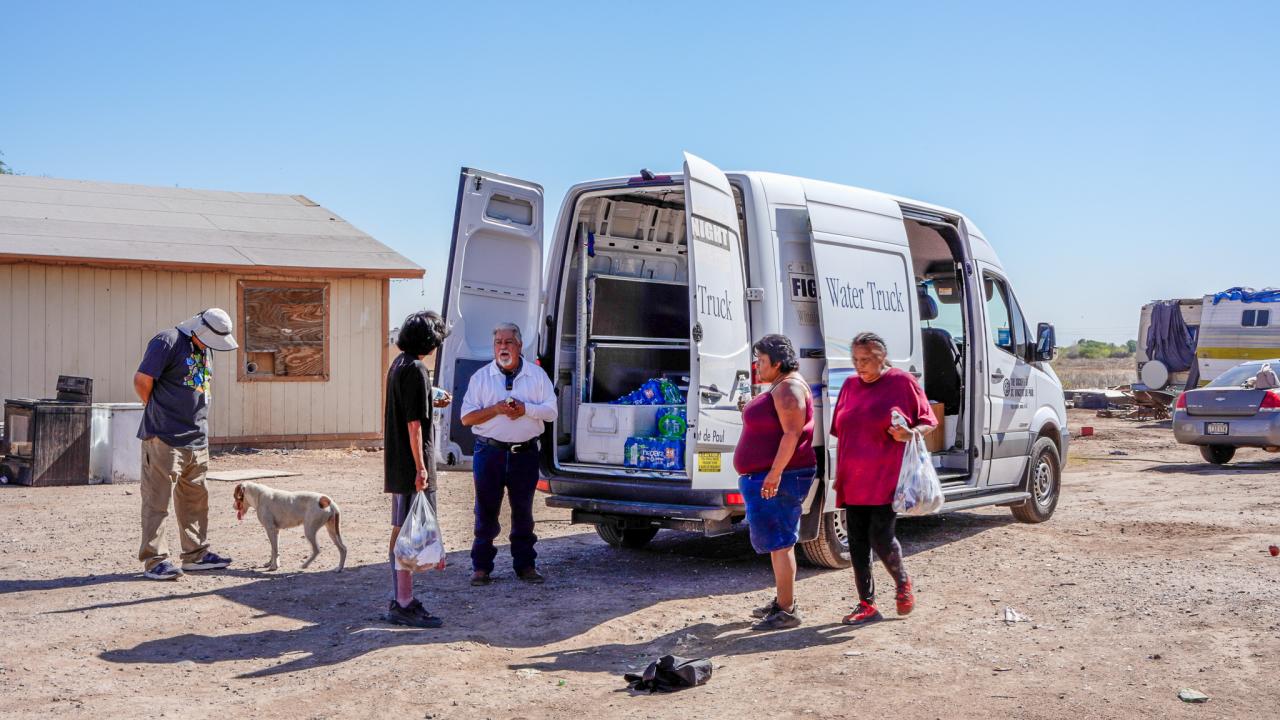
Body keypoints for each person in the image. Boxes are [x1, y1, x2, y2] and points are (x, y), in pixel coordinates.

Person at [831, 331, 937, 625]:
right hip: (853, 478)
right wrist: (838, 475)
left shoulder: (902, 382)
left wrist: (910, 433)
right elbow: (841, 430)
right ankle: (866, 604)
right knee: (856, 542)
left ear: (882, 356)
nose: (859, 366)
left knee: (880, 536)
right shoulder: (850, 385)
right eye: (855, 359)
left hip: (887, 476)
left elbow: (929, 420)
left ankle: (902, 584)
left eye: (866, 360)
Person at [133, 308, 239, 581]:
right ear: (200, 330)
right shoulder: (166, 341)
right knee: (157, 501)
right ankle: (155, 560)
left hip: (196, 438)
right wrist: (157, 411)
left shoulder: (205, 348)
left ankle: (196, 555)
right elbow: (142, 381)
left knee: (196, 500)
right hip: (164, 437)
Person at [459, 322, 557, 586]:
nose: (503, 347)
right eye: (498, 343)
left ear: (519, 345)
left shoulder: (537, 376)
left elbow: (551, 412)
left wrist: (526, 409)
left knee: (523, 511)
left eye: (508, 342)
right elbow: (466, 418)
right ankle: (481, 567)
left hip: (524, 454)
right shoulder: (481, 377)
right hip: (489, 452)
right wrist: (497, 409)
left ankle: (525, 565)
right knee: (486, 510)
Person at [733, 334, 818, 630]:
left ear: (778, 363)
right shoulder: (780, 386)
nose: (757, 365)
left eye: (762, 360)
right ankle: (783, 601)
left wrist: (774, 473)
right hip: (773, 476)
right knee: (778, 544)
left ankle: (787, 610)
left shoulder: (789, 387)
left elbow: (792, 433)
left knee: (781, 544)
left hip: (783, 477)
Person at [383, 311, 452, 628]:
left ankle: (400, 598)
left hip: (398, 464)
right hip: (412, 465)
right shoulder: (417, 369)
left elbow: (410, 408)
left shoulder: (398, 364)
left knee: (400, 531)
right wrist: (422, 469)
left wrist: (431, 398)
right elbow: (414, 425)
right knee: (410, 537)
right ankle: (404, 603)